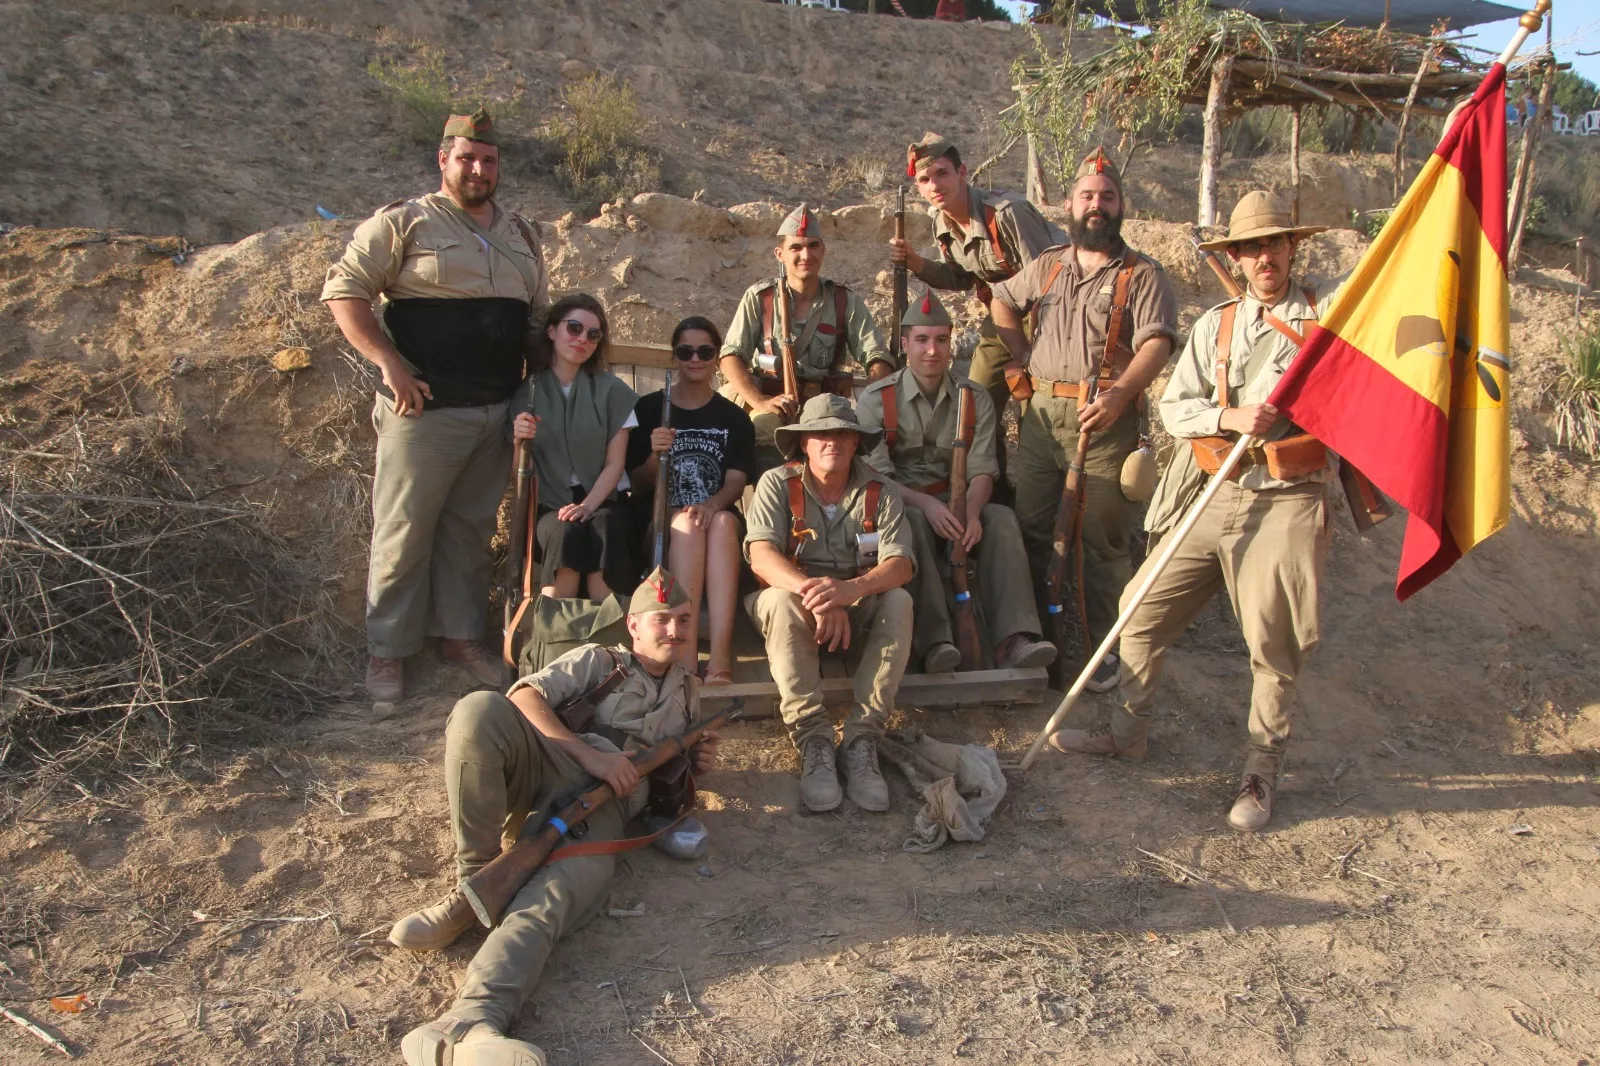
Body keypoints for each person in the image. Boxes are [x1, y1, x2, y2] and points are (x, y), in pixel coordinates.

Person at [1048, 191, 1337, 834]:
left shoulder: (1330, 321)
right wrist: (1230, 416)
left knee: (1273, 640)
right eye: (1252, 247)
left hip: (1288, 496)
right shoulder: (1217, 325)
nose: (1265, 257)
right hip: (1216, 489)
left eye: (1275, 244)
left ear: (1293, 248)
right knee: (1139, 611)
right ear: (1234, 257)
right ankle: (1128, 734)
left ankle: (1262, 772)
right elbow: (1176, 408)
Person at [389, 567, 718, 1066]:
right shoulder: (601, 660)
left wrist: (697, 765)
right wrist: (593, 758)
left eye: (684, 620)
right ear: (633, 626)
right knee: (479, 710)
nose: (674, 630)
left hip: (608, 805)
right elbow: (523, 695)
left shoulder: (690, 690)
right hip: (552, 761)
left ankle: (472, 1022)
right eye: (662, 619)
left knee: (557, 891)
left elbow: (677, 772)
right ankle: (474, 883)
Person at [322, 108, 548, 702]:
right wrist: (390, 364)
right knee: (403, 532)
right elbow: (345, 291)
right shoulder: (405, 223)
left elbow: (534, 317)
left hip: (496, 411)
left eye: (489, 160)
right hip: (424, 413)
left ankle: (459, 637)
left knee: (468, 534)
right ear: (443, 160)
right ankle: (388, 654)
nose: (478, 169)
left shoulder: (522, 234)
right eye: (467, 158)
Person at [990, 147, 1179, 692]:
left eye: (1108, 197)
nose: (1097, 205)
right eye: (1088, 196)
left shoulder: (1143, 274)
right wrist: (1020, 354)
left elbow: (1159, 342)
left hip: (1104, 422)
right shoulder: (1048, 265)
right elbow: (1002, 301)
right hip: (1041, 421)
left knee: (1102, 542)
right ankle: (1027, 641)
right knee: (1029, 528)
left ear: (1122, 206)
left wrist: (1120, 394)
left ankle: (1106, 651)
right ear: (1070, 204)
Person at [856, 290, 1056, 673]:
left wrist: (973, 512)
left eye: (941, 340)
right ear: (904, 344)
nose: (932, 351)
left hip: (959, 502)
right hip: (902, 505)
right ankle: (935, 642)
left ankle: (1015, 639)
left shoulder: (974, 398)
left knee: (1002, 518)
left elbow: (983, 468)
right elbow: (876, 476)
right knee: (910, 522)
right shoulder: (877, 399)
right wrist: (926, 506)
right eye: (922, 340)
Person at [744, 394, 914, 814]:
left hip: (855, 607)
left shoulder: (881, 491)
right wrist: (819, 597)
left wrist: (850, 591)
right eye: (820, 434)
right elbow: (762, 556)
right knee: (780, 601)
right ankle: (813, 738)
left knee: (899, 600)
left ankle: (863, 739)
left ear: (856, 442)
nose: (831, 442)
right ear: (804, 443)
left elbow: (900, 564)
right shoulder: (776, 483)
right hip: (798, 604)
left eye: (841, 434)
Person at [889, 132, 1065, 492]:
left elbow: (1052, 279)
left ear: (962, 172)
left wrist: (1032, 352)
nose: (934, 184)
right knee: (976, 399)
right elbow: (960, 278)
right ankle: (995, 490)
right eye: (924, 179)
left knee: (1038, 404)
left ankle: (1046, 492)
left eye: (941, 173)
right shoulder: (942, 224)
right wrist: (916, 261)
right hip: (1004, 313)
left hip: (1053, 312)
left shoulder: (1007, 213)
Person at [626, 316, 756, 685]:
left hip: (714, 519)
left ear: (717, 356)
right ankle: (683, 662)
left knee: (723, 522)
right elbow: (635, 484)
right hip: (660, 523)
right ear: (675, 357)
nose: (695, 358)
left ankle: (719, 661)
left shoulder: (734, 418)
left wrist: (713, 504)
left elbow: (736, 479)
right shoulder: (649, 409)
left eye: (705, 351)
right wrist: (655, 456)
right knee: (687, 523)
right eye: (686, 351)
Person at [719, 204, 889, 471]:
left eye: (813, 245)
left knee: (853, 447)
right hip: (772, 400)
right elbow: (730, 357)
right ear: (780, 254)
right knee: (764, 433)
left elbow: (876, 356)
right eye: (796, 247)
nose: (805, 254)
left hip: (822, 405)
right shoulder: (760, 298)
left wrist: (875, 404)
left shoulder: (844, 301)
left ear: (823, 250)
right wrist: (760, 403)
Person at [510, 294, 638, 601]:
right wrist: (518, 440)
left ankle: (607, 639)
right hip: (550, 504)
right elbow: (518, 471)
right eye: (574, 328)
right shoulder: (526, 393)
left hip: (604, 500)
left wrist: (587, 506)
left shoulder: (614, 391)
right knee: (563, 531)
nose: (583, 339)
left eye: (593, 334)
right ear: (552, 331)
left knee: (604, 526)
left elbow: (615, 464)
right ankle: (555, 638)